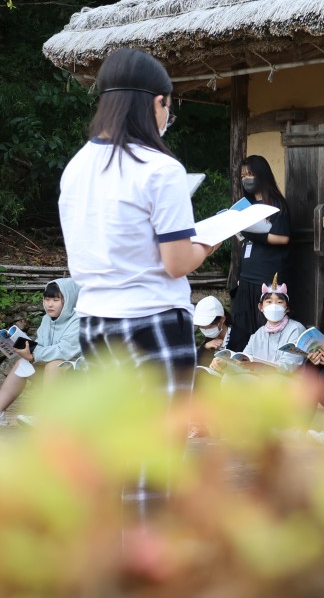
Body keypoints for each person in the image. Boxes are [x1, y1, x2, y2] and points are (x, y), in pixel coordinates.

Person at [58, 48, 213, 397]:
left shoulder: (77, 167)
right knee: (160, 447)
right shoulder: (161, 169)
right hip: (152, 318)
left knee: (116, 441)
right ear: (158, 102)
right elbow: (176, 263)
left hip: (93, 319)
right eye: (168, 109)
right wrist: (208, 243)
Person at [228, 155, 290, 352]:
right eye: (243, 175)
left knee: (264, 324)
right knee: (242, 327)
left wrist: (250, 233)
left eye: (250, 174)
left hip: (267, 275)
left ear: (261, 175)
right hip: (246, 275)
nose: (246, 179)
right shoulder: (245, 206)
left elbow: (282, 237)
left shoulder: (276, 204)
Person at [0, 279, 82, 426]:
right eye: (47, 299)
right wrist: (27, 350)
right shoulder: (46, 320)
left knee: (54, 365)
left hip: (78, 374)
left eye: (56, 300)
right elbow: (42, 345)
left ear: (68, 300)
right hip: (55, 374)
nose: (49, 304)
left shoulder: (79, 321)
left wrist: (34, 355)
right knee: (21, 363)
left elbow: (64, 351)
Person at [235, 278, 306, 370]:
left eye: (279, 302)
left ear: (287, 308)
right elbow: (244, 359)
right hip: (259, 379)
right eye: (269, 302)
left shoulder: (296, 329)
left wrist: (260, 367)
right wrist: (227, 364)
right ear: (261, 307)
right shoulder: (258, 334)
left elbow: (289, 365)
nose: (274, 306)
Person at [193, 295, 230, 366]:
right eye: (202, 327)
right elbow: (196, 365)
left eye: (209, 326)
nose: (205, 330)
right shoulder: (208, 341)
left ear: (222, 320)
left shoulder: (238, 336)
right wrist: (205, 347)